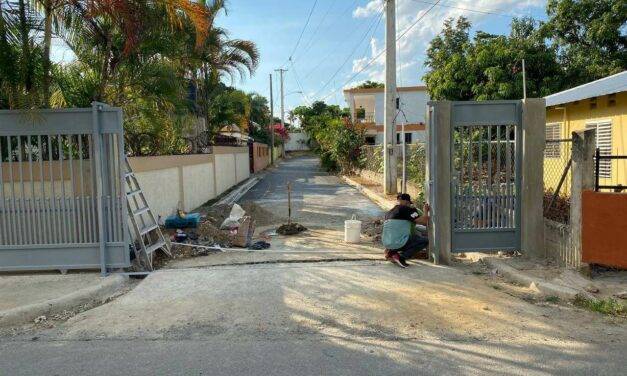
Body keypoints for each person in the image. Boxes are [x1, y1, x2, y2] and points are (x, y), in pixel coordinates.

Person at [382, 193, 430, 268]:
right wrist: (426, 211)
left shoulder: (389, 212)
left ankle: (391, 253)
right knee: (425, 241)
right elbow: (423, 222)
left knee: (408, 237)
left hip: (387, 244)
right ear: (407, 202)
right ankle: (402, 257)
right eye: (408, 203)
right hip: (400, 243)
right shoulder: (406, 209)